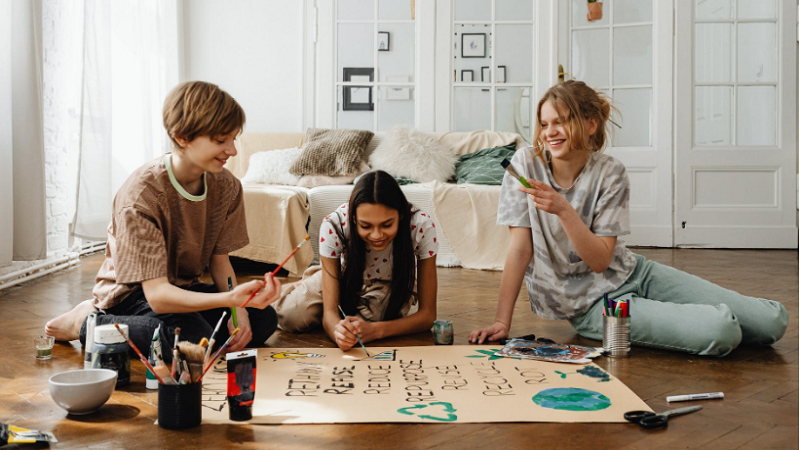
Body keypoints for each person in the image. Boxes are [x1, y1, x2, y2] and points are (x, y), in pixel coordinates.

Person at [469, 80, 787, 357]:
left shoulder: (611, 172)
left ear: (590, 124)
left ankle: (703, 318)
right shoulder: (524, 165)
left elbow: (601, 260)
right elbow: (520, 250)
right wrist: (501, 321)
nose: (550, 132)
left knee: (771, 321)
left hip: (635, 273)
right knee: (722, 331)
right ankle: (704, 320)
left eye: (561, 122)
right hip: (592, 305)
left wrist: (563, 209)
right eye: (544, 123)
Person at [45, 81, 281, 356]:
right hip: (132, 297)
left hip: (181, 289)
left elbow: (220, 261)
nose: (232, 150)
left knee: (263, 320)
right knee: (192, 339)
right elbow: (156, 297)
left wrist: (238, 310)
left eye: (233, 139)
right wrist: (230, 299)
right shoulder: (141, 197)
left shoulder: (226, 186)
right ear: (182, 137)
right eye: (220, 140)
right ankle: (88, 322)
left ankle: (201, 325)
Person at [273, 170, 438, 351]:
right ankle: (301, 291)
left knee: (370, 319)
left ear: (401, 215)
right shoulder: (334, 225)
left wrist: (375, 331)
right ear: (353, 219)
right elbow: (330, 314)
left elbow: (427, 315)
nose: (377, 235)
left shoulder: (421, 226)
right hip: (343, 276)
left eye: (387, 225)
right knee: (292, 316)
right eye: (365, 226)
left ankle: (318, 301)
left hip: (389, 284)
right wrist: (337, 330)